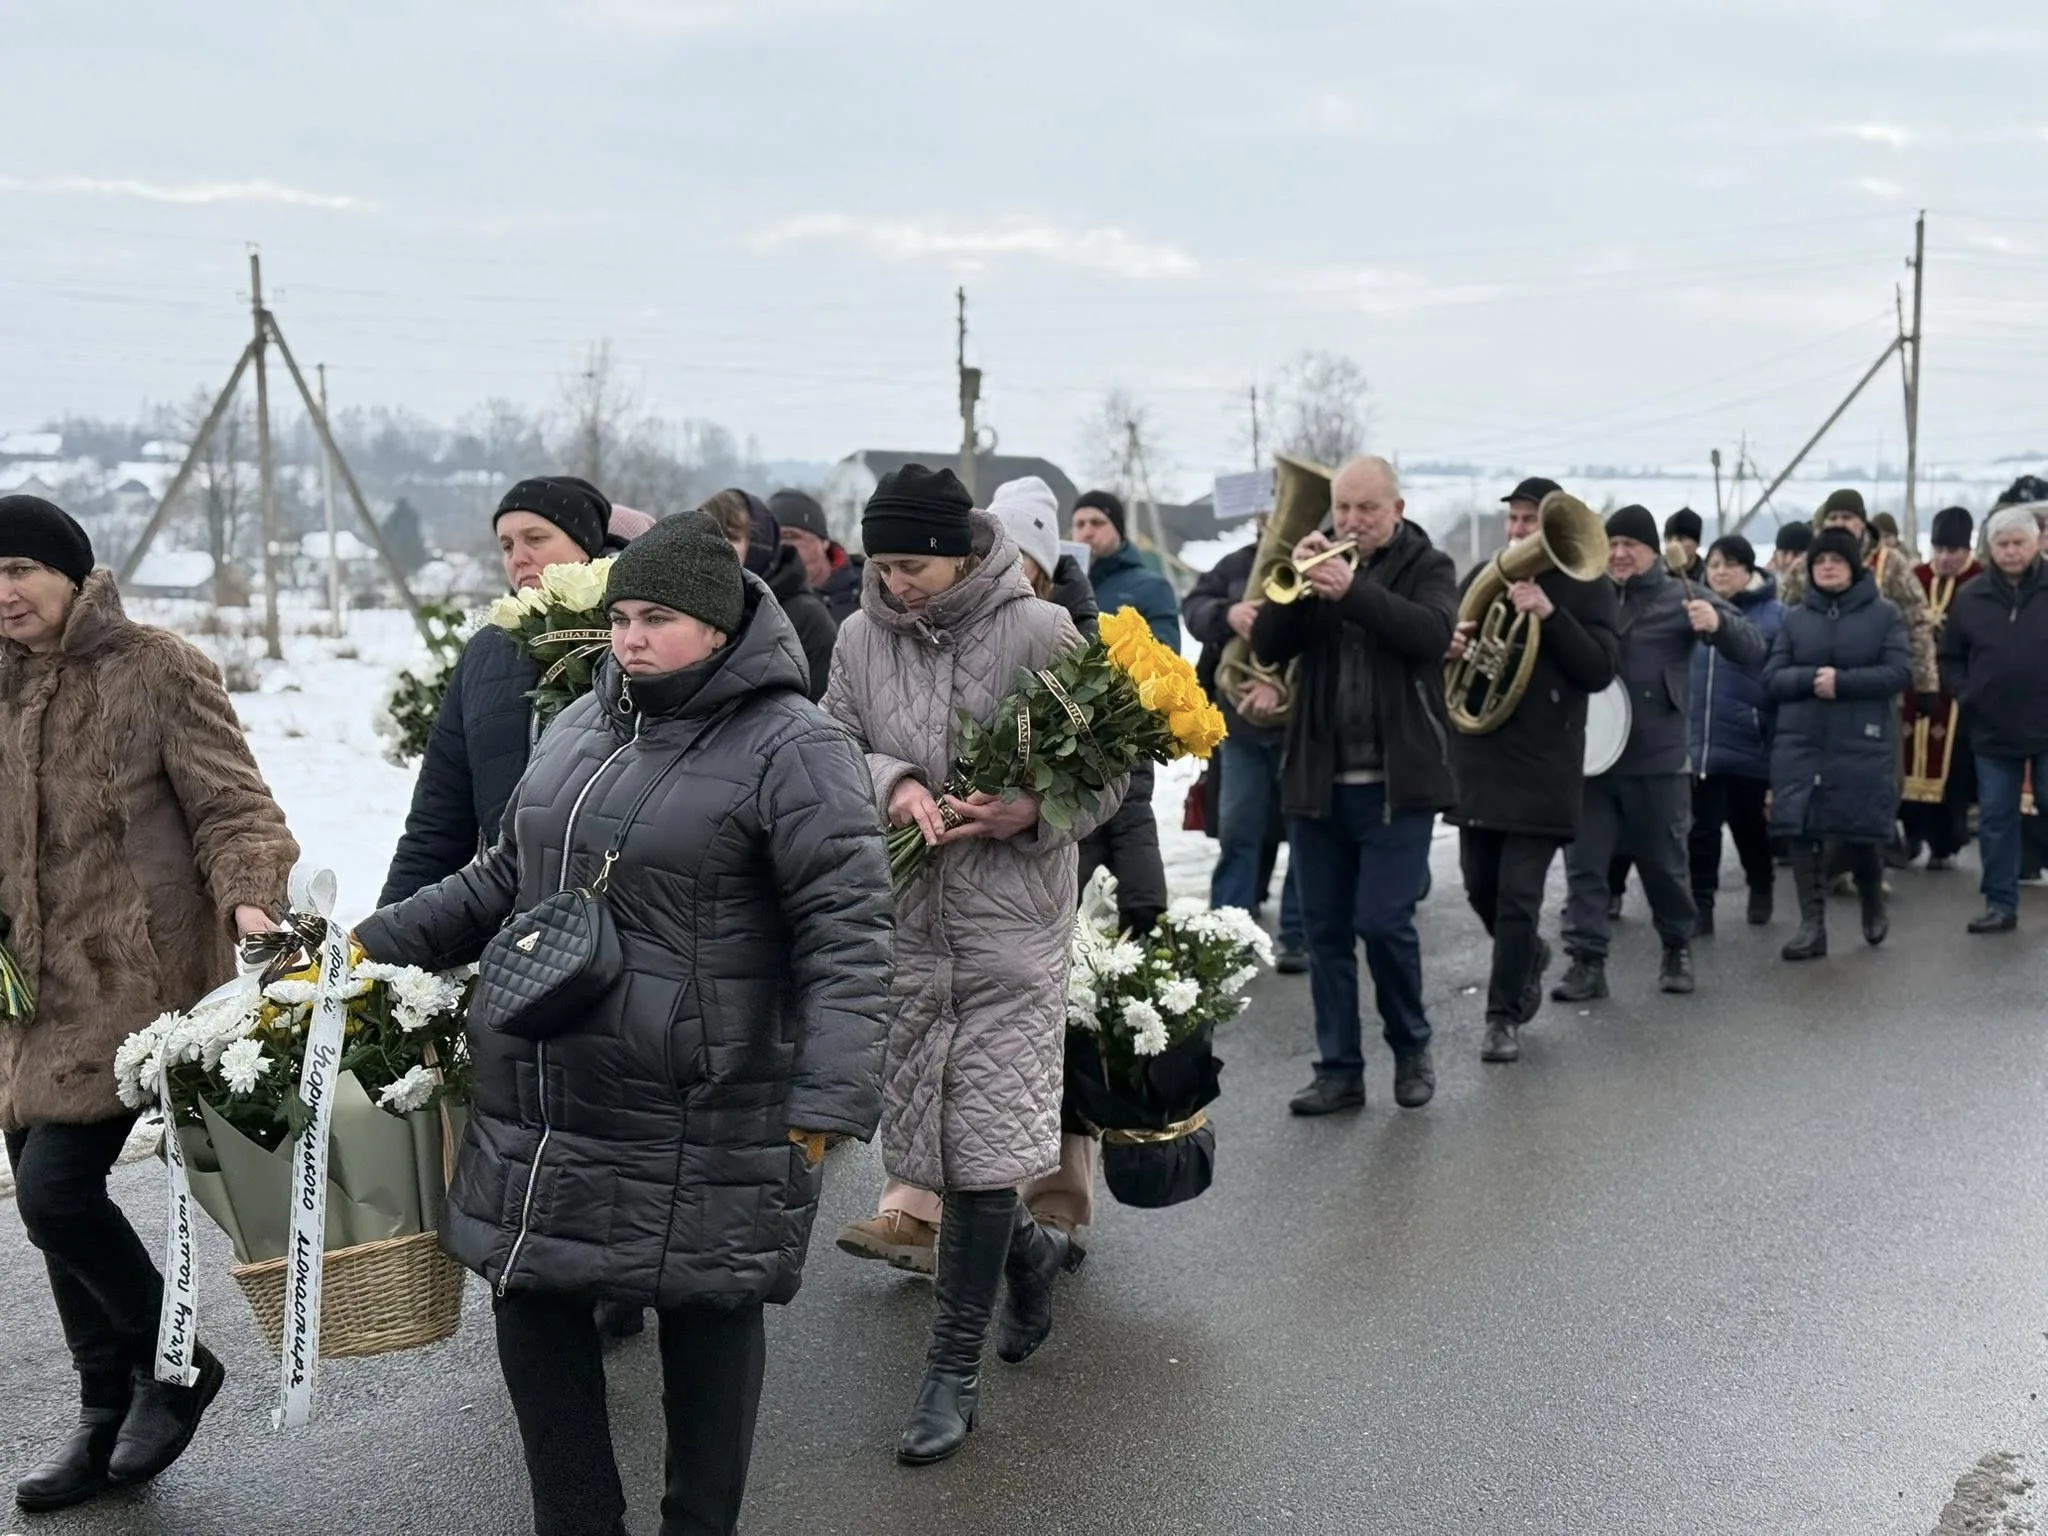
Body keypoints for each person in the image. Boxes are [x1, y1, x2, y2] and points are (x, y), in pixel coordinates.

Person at [356, 511, 893, 1536]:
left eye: (658, 619)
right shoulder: (581, 723)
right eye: (621, 619)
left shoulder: (796, 747)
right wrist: (362, 948)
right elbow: (503, 876)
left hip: (702, 1094)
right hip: (548, 1082)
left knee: (704, 1309)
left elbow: (849, 929)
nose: (632, 639)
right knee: (532, 1298)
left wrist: (829, 1094)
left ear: (720, 626)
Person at [0, 494, 299, 1512]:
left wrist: (252, 899)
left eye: (21, 570)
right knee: (48, 1211)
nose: (5, 594)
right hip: (24, 992)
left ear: (71, 574)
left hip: (136, 979)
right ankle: (100, 1417)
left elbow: (234, 804)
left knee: (54, 1194)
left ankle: (178, 1367)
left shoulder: (156, 667)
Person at [822, 465, 1117, 1465]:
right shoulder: (858, 640)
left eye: (911, 563)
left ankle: (949, 1376)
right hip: (906, 926)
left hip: (1011, 927)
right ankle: (1029, 1259)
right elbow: (830, 744)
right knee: (936, 1147)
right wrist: (895, 786)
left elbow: (1106, 767)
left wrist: (1029, 809)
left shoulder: (1040, 630)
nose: (894, 581)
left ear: (958, 552)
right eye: (882, 564)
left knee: (984, 1152)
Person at [1250, 456, 1457, 1115]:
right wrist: (1295, 583)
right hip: (1319, 783)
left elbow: (1430, 634)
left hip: (1397, 786)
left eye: (1366, 509)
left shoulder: (1430, 565)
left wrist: (1353, 591)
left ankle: (1412, 1046)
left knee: (1384, 922)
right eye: (1342, 507)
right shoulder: (1320, 567)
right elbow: (1270, 646)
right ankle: (1339, 1070)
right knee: (1326, 933)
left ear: (1397, 510)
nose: (1352, 521)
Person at [1553, 506, 1764, 1002]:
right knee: (1585, 866)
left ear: (1654, 551)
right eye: (1612, 544)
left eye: (1631, 544)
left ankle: (1676, 948)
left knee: (1664, 865)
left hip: (1657, 758)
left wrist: (1718, 623)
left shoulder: (1681, 595)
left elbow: (1753, 648)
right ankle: (1586, 962)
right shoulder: (1585, 593)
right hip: (1591, 758)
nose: (1620, 554)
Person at [380, 475, 622, 907]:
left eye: (536, 538)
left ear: (585, 544)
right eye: (507, 545)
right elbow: (438, 822)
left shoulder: (631, 640)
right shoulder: (487, 651)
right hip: (509, 916)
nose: (518, 558)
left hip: (618, 915)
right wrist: (385, 931)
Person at [1446, 478, 1619, 1065]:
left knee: (1518, 898)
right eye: (1515, 520)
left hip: (1544, 767)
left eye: (1531, 521)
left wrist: (1551, 614)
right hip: (1481, 763)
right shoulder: (1484, 577)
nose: (1520, 531)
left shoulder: (1589, 586)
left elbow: (1599, 670)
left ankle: (1502, 1018)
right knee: (1479, 887)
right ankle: (1529, 956)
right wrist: (1454, 647)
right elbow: (1454, 651)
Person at [996, 478, 1168, 942]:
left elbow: (1119, 763)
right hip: (1004, 843)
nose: (1001, 567)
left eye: (1098, 522)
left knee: (1106, 922)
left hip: (1071, 816)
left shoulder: (1085, 625)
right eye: (1081, 523)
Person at [1766, 528, 1912, 959]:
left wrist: (1843, 682)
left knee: (1860, 831)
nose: (1827, 567)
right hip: (1802, 741)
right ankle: (1812, 926)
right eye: (1820, 561)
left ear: (1854, 567)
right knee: (1802, 831)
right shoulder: (1795, 618)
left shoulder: (1883, 615)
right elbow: (1773, 677)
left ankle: (1871, 899)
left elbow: (1898, 672)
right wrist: (1811, 678)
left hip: (1860, 739)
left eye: (1837, 560)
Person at [1182, 524, 1306, 970]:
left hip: (1301, 727)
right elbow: (1194, 607)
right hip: (1241, 725)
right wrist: (1228, 613)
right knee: (1238, 832)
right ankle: (1228, 935)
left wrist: (1281, 685)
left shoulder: (1322, 563)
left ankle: (1299, 935)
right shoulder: (1237, 564)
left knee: (1305, 834)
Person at [1937, 504, 2048, 934]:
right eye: (2003, 544)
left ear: (2036, 543)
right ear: (1990, 548)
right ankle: (2000, 903)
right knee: (1997, 819)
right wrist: (1968, 695)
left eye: (2019, 542)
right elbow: (1950, 657)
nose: (2011, 551)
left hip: (2045, 724)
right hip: (1991, 726)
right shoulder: (1972, 597)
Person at [1686, 534, 1783, 934]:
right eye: (1713, 565)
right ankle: (1701, 904)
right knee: (1701, 829)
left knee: (1748, 826)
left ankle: (1761, 885)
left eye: (1730, 565)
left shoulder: (1774, 616)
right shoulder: (1691, 609)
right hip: (1701, 742)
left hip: (1748, 739)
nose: (1720, 572)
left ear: (1748, 570)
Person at [1897, 506, 1981, 870]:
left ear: (1967, 549)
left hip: (1957, 690)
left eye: (1953, 551)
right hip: (1914, 686)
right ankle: (1910, 834)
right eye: (1939, 549)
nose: (1945, 558)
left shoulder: (1979, 582)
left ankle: (1944, 843)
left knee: (1953, 768)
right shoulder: (1914, 577)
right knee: (1905, 759)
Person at [703, 489, 836, 702]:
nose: (717, 548)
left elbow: (820, 706)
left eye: (731, 538)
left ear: (759, 545)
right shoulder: (692, 608)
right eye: (709, 538)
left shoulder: (806, 617)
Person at [1069, 489, 1182, 648]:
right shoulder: (1056, 585)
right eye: (1080, 524)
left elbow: (1166, 655)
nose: (1087, 533)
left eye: (1097, 523)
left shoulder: (1153, 588)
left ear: (1118, 528)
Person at [773, 487, 864, 629]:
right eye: (772, 538)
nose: (781, 546)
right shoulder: (759, 600)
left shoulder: (872, 587)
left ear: (823, 541)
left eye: (791, 536)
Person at [1664, 507, 1705, 583]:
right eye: (1669, 539)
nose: (1673, 544)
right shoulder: (1656, 576)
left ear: (1697, 543)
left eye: (1680, 539)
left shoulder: (1710, 577)